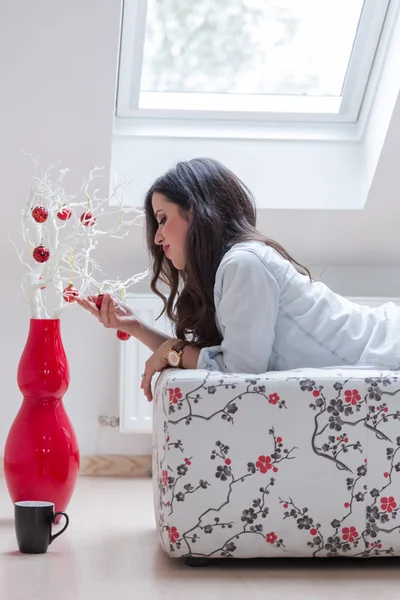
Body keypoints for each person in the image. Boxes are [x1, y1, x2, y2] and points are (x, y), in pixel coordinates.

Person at [77, 157, 400, 402]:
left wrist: (171, 350)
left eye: (163, 219)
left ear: (195, 211)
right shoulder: (231, 268)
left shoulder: (243, 264)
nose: (158, 237)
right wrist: (133, 325)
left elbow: (240, 374)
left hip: (387, 349)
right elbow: (212, 358)